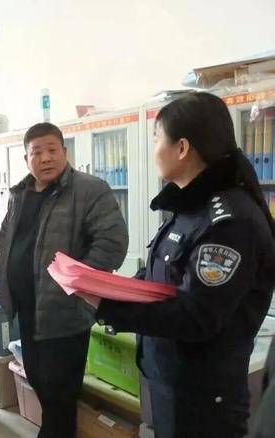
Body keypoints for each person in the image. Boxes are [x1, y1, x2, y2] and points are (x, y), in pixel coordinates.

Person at [77, 92, 275, 438]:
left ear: (182, 148)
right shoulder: (191, 207)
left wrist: (109, 307)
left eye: (156, 139)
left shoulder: (228, 222)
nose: (153, 150)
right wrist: (108, 287)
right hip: (174, 381)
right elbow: (161, 276)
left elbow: (196, 315)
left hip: (203, 398)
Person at [0, 122, 128, 437]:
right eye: (36, 152)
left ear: (64, 152)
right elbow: (6, 244)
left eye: (52, 149)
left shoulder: (90, 190)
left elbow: (112, 242)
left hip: (65, 313)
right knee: (40, 382)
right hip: (27, 310)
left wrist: (76, 282)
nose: (45, 158)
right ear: (26, 159)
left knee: (60, 393)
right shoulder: (19, 195)